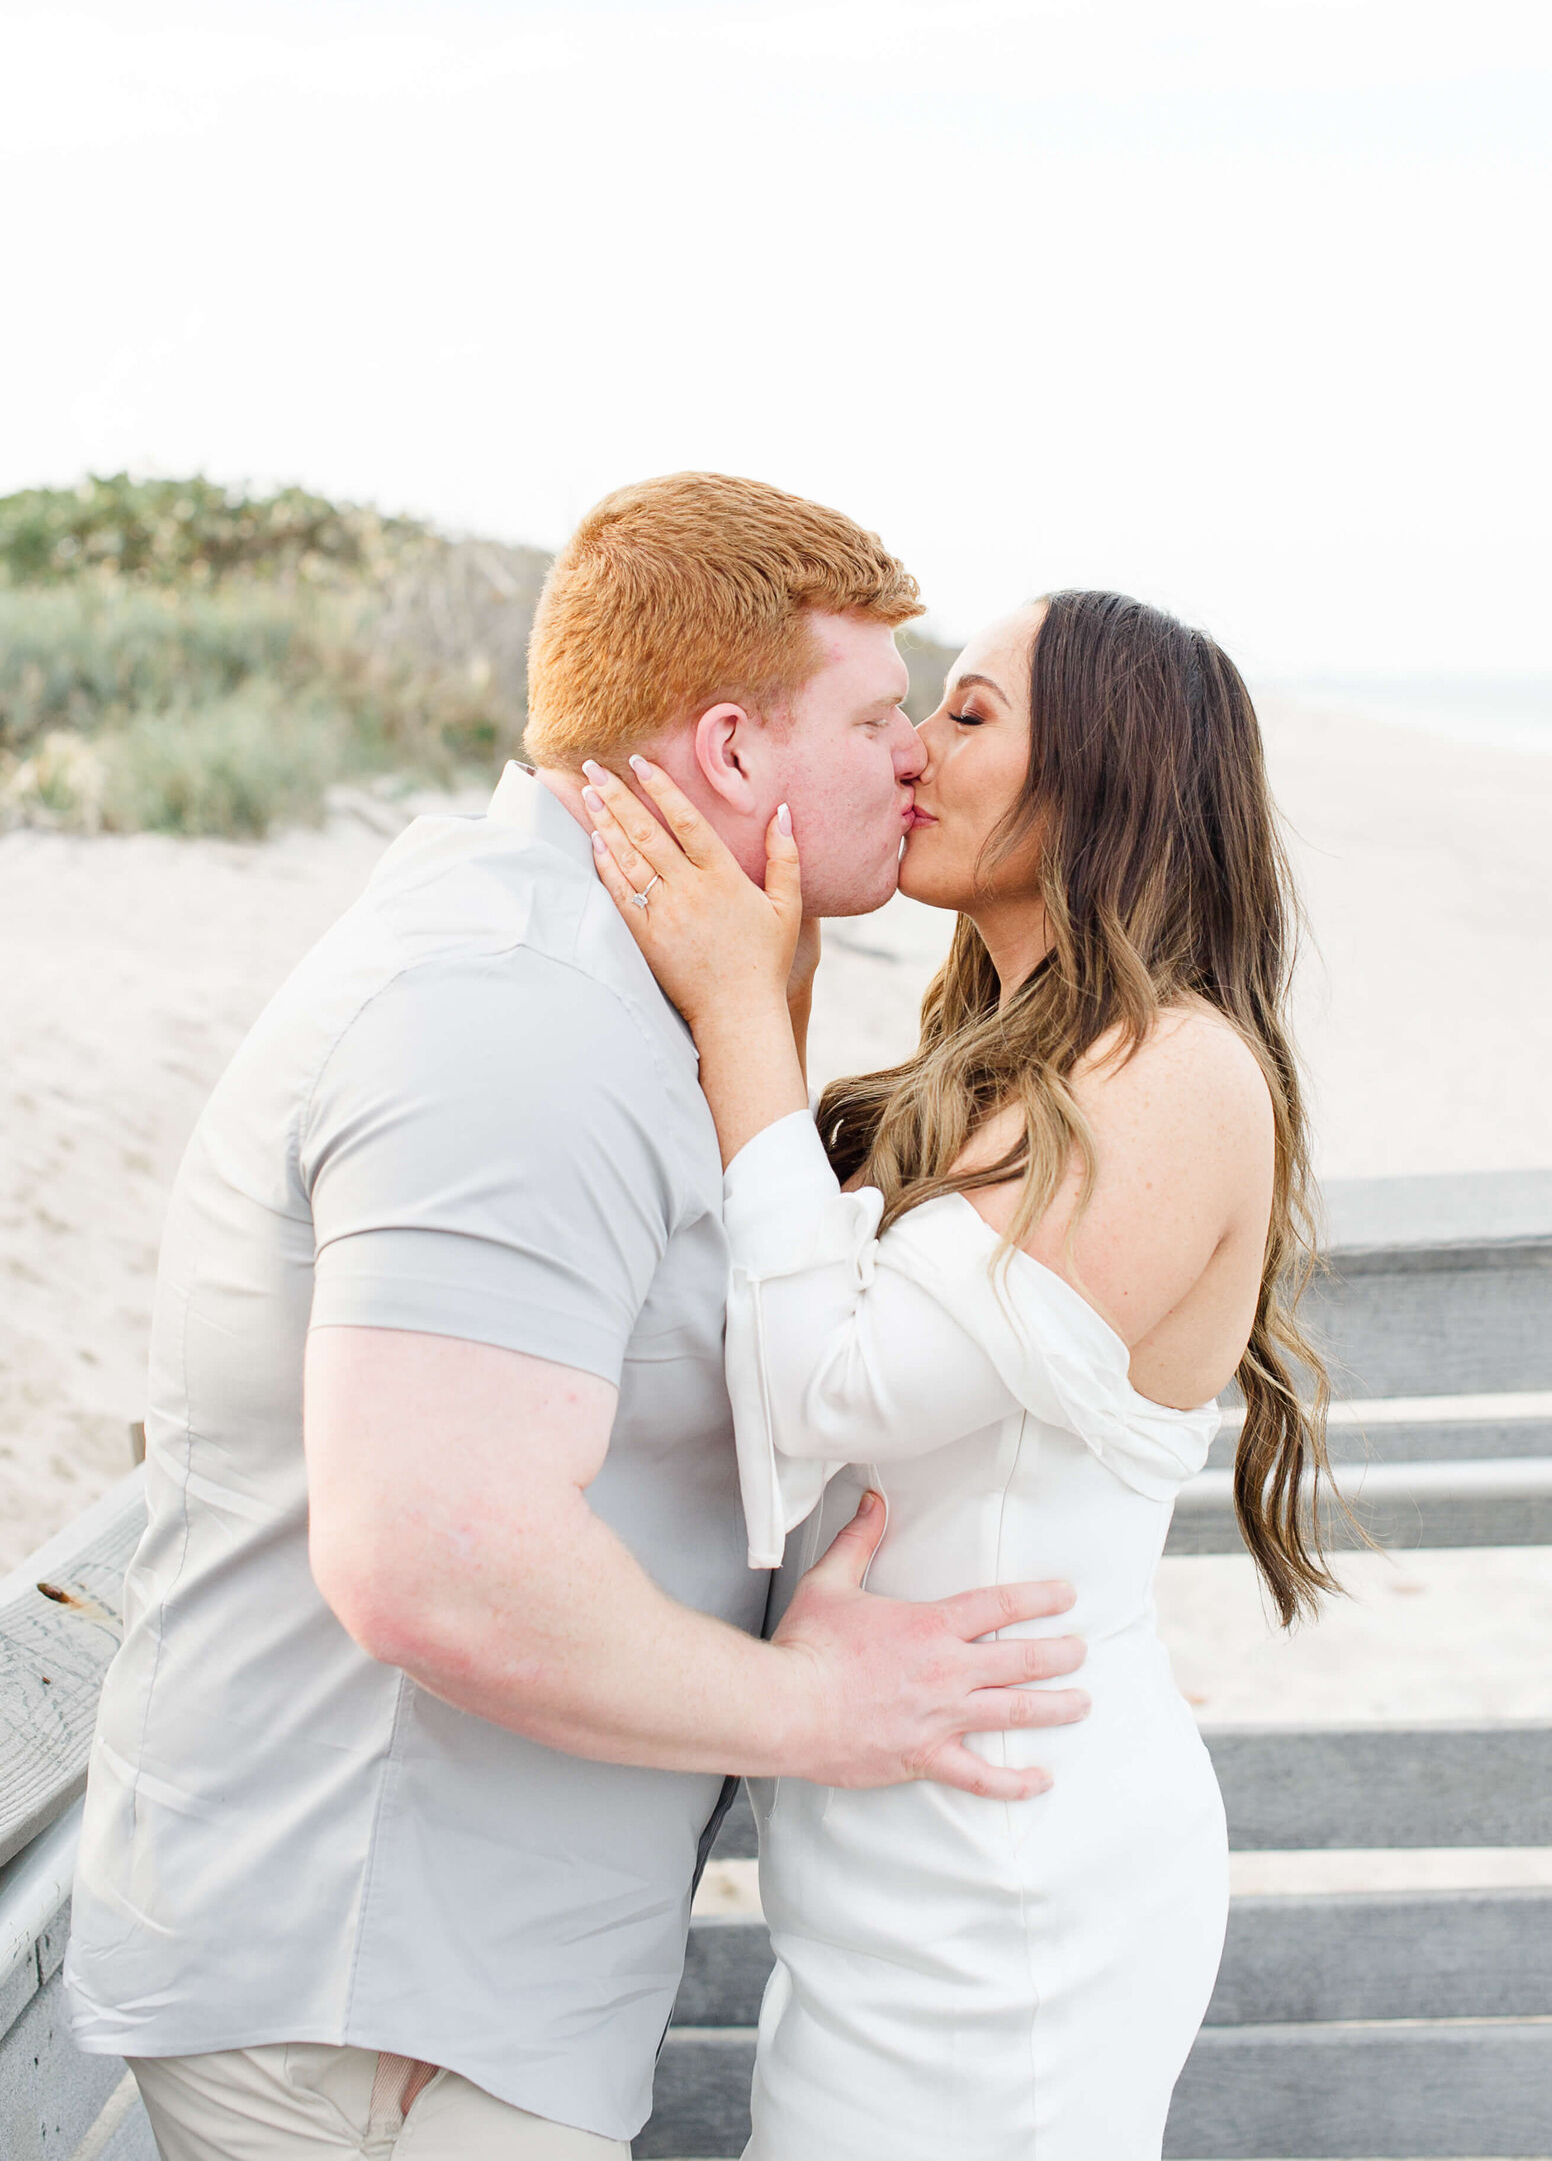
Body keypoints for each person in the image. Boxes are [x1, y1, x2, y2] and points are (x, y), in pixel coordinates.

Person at [64, 476, 1091, 2161]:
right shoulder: (515, 1018)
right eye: (873, 711)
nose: (913, 752)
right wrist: (821, 1713)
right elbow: (433, 1558)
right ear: (734, 754)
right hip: (381, 2005)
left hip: (446, 1981)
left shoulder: (598, 973)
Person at [585, 586, 1340, 2161]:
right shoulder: (1016, 1070)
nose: (912, 750)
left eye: (970, 714)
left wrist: (744, 1004)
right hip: (893, 1849)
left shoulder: (1181, 1072)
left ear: (1107, 776)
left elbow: (830, 1393)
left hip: (1014, 1885)